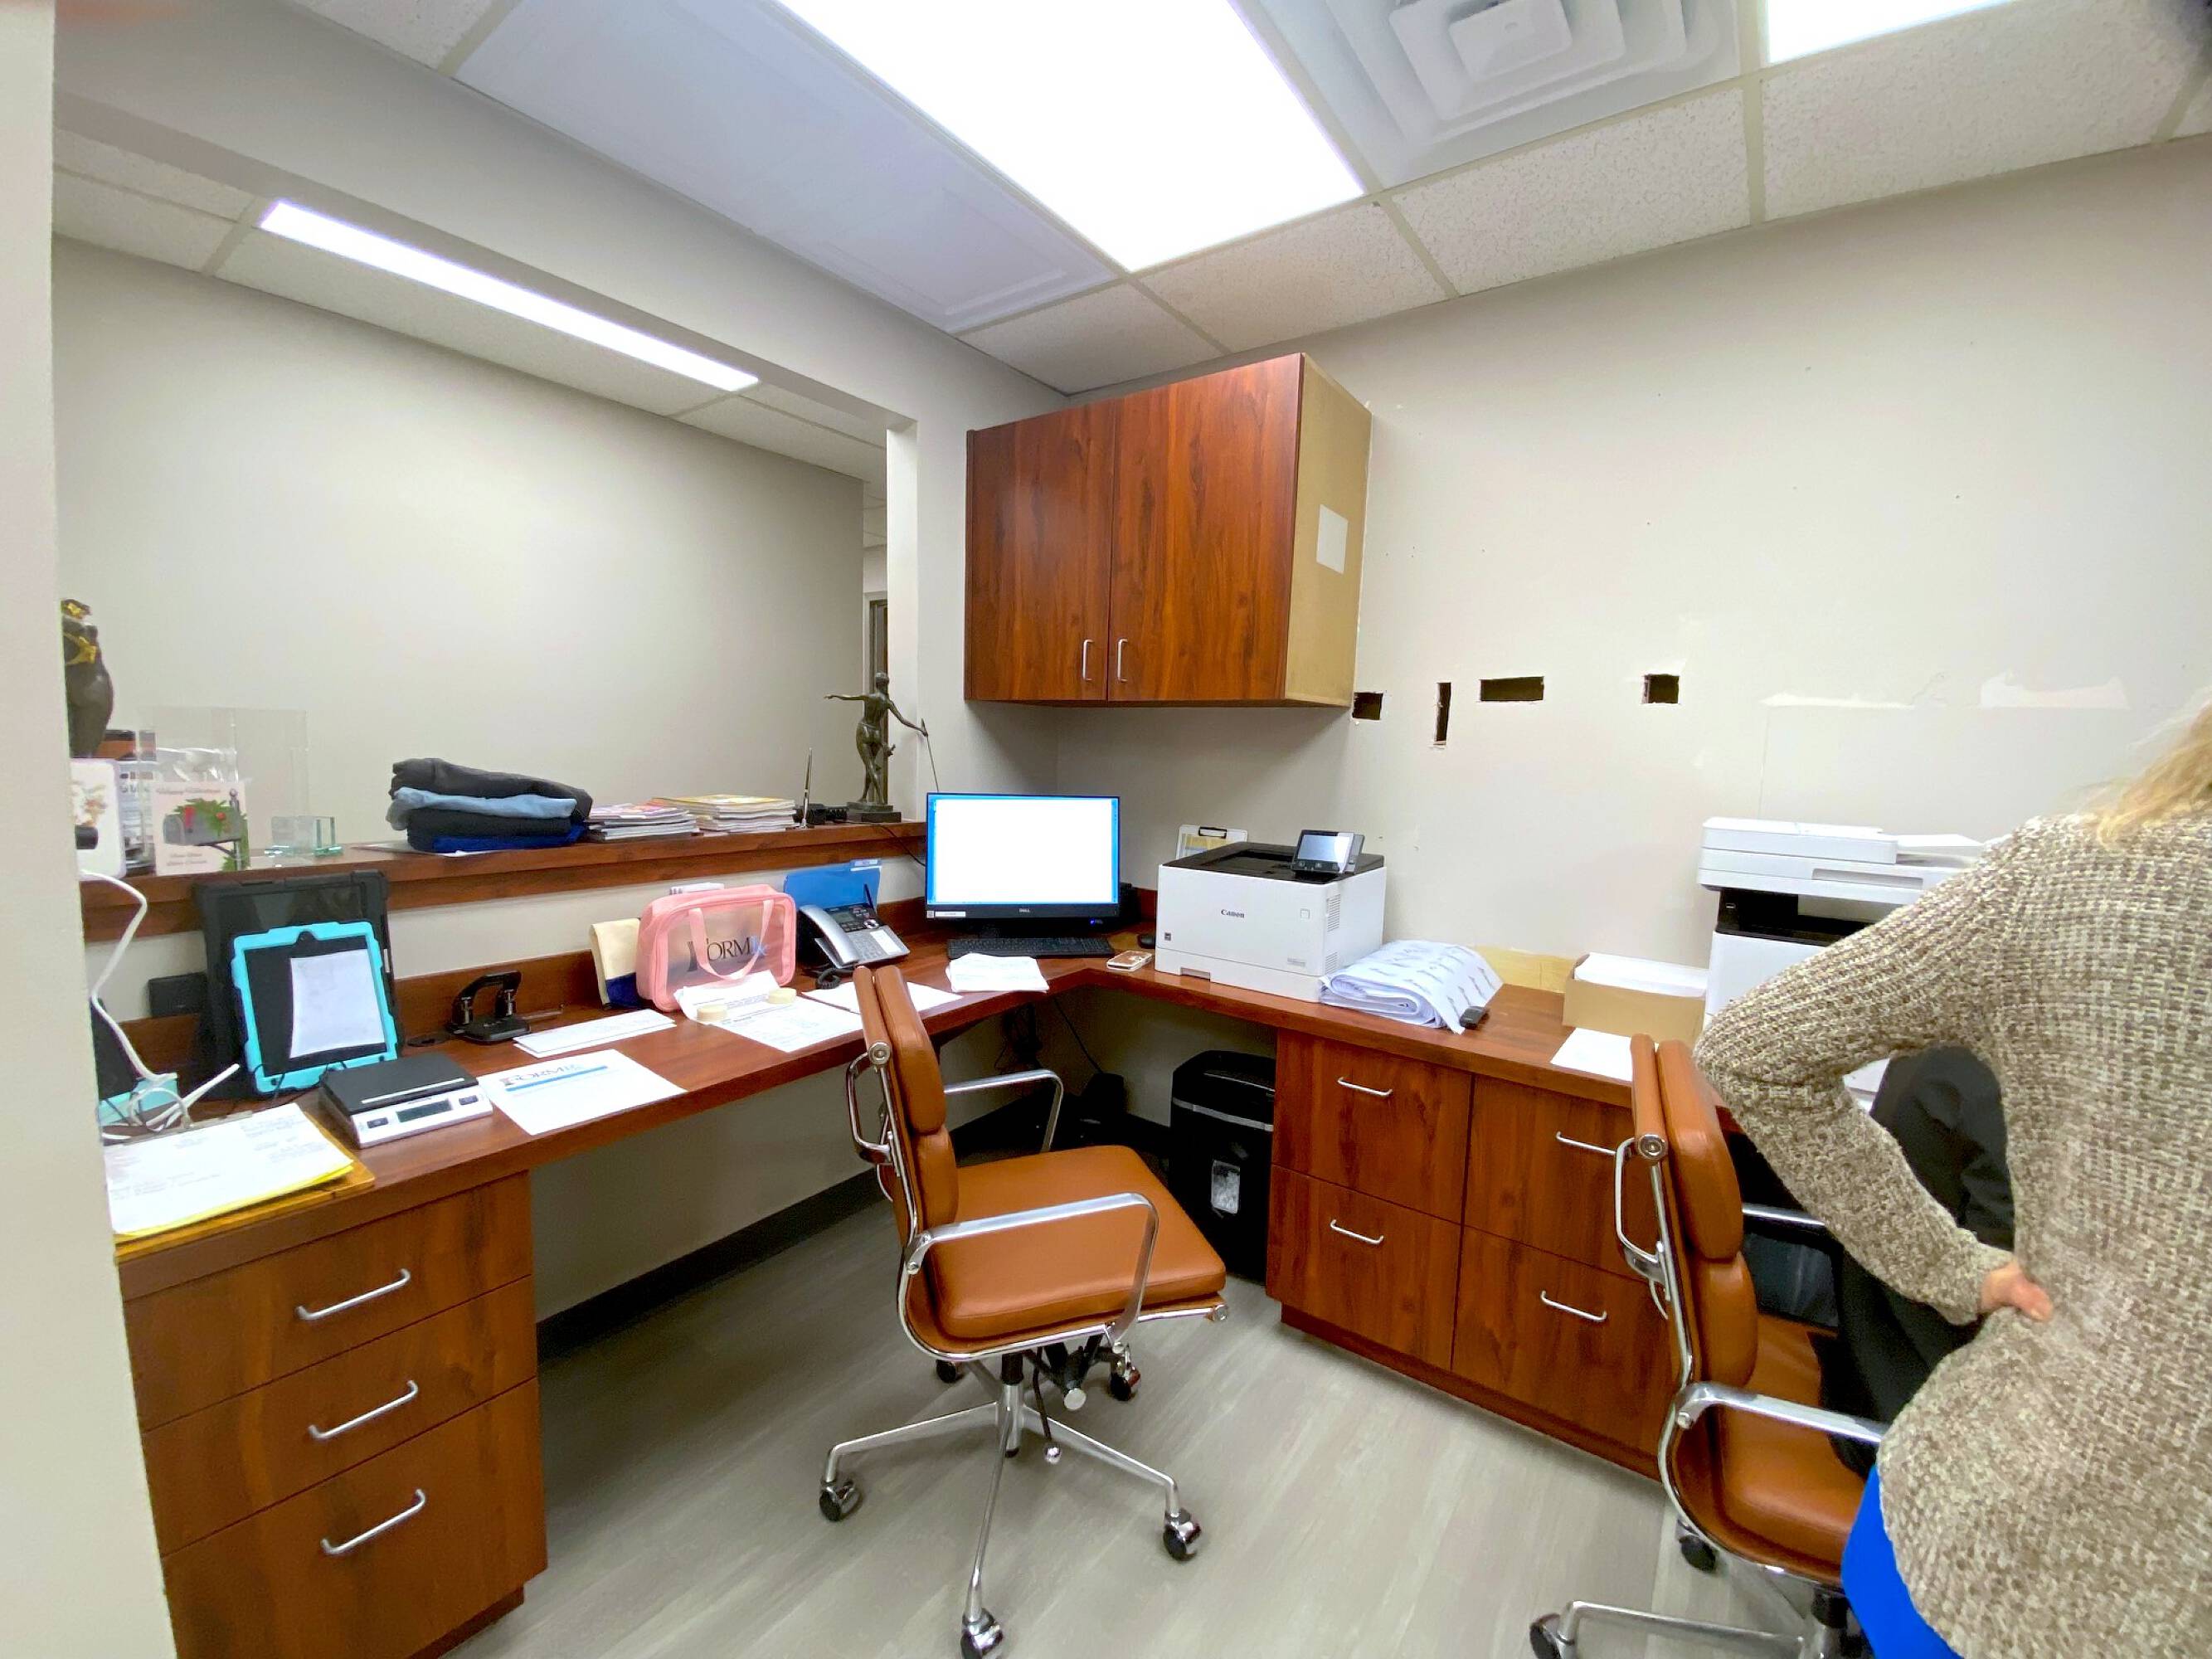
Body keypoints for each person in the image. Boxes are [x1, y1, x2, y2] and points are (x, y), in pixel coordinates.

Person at [1694, 697, 2212, 1658]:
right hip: (2013, 1524)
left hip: (1948, 1504)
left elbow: (1753, 1045)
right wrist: (1961, 1269)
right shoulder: (2054, 912)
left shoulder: (2060, 887)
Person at [1820, 1048, 2011, 1474]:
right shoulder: (2008, 1095)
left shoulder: (1941, 1048)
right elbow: (2009, 1307)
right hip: (1916, 1423)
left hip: (1867, 1357)